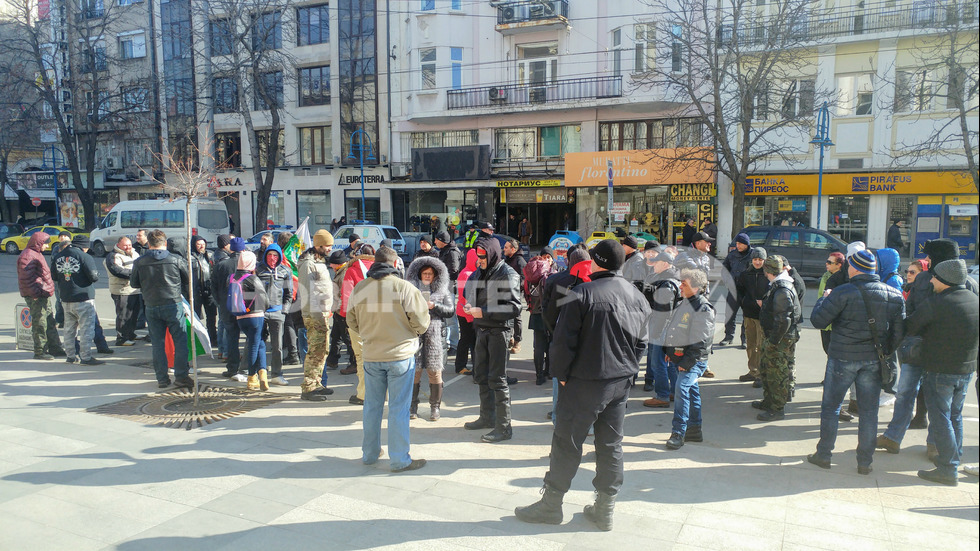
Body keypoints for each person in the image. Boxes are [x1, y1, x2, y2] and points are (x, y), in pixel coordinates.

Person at [515, 239, 650, 530]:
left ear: (596, 262)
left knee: (567, 442)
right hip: (619, 381)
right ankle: (605, 508)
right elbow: (641, 344)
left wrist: (561, 374)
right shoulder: (637, 297)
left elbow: (563, 342)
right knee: (611, 444)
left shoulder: (582, 293)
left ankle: (552, 505)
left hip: (585, 381)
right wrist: (629, 372)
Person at [877, 239, 977, 457]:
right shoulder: (923, 279)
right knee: (907, 394)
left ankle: (935, 445)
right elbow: (909, 308)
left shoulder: (967, 284)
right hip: (919, 350)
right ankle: (893, 437)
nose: (927, 261)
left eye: (930, 257)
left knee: (940, 405)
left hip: (942, 355)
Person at [808, 250, 904, 475]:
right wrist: (884, 352)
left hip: (842, 357)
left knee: (831, 407)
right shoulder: (893, 294)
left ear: (855, 268)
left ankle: (823, 454)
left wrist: (824, 298)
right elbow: (899, 334)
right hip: (873, 360)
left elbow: (818, 321)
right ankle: (864, 461)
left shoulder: (843, 292)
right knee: (869, 412)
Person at [348, 246, 430, 473]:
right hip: (400, 356)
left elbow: (351, 321)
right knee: (398, 409)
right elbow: (422, 323)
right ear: (395, 264)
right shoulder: (404, 288)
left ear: (375, 263)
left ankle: (370, 454)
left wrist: (368, 332)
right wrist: (409, 331)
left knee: (371, 407)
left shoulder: (360, 288)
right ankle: (399, 459)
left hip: (372, 354)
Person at [905, 259, 978, 486]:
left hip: (940, 370)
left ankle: (948, 468)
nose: (932, 280)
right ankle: (953, 459)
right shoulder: (974, 300)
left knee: (940, 418)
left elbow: (911, 326)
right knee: (955, 415)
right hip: (965, 370)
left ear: (945, 280)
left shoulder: (937, 302)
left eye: (935, 277)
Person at [462, 237, 521, 443]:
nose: (479, 259)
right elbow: (467, 289)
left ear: (492, 254)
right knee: (482, 376)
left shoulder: (508, 274)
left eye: (482, 256)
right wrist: (470, 303)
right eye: (477, 256)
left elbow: (514, 307)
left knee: (497, 379)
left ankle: (504, 427)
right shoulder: (480, 271)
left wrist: (483, 311)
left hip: (499, 332)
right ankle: (487, 417)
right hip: (482, 330)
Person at [130, 230, 192, 387]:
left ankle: (162, 379)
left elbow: (134, 284)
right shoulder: (175, 259)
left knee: (158, 344)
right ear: (165, 243)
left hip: (151, 304)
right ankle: (181, 376)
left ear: (149, 243)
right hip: (173, 303)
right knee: (180, 341)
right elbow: (187, 280)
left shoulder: (140, 261)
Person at [663, 269, 715, 450]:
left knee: (682, 389)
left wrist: (685, 364)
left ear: (696, 287)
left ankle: (678, 432)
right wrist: (670, 351)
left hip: (693, 361)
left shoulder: (703, 308)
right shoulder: (685, 303)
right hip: (682, 358)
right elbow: (676, 330)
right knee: (691, 390)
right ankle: (694, 429)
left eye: (684, 284)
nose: (680, 286)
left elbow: (701, 342)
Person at [753, 256, 802, 422]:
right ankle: (769, 401)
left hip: (780, 339)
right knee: (767, 369)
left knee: (777, 373)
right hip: (776, 337)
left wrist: (773, 340)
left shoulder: (782, 289)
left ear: (767, 271)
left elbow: (784, 319)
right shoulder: (778, 286)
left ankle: (777, 408)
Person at [406, 256, 454, 421]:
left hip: (435, 337)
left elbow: (450, 311)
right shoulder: (410, 291)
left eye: (430, 274)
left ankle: (435, 408)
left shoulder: (443, 291)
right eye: (424, 273)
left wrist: (435, 306)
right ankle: (412, 407)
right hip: (415, 335)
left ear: (435, 276)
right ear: (419, 274)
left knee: (435, 373)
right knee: (415, 373)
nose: (427, 276)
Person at [52, 235, 104, 366]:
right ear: (84, 246)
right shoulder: (84, 256)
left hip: (66, 298)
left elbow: (54, 276)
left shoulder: (59, 255)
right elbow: (93, 276)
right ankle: (86, 357)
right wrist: (97, 274)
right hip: (83, 298)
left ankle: (70, 356)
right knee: (86, 329)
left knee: (69, 329)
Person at [297, 229, 336, 401]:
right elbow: (307, 292)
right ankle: (309, 388)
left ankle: (317, 382)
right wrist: (318, 314)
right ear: (318, 245)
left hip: (323, 313)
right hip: (315, 314)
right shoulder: (308, 264)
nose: (329, 249)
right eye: (327, 245)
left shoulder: (319, 262)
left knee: (322, 351)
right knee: (315, 351)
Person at [640, 251, 681, 407]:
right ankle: (673, 392)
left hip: (662, 328)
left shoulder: (667, 283)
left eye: (656, 262)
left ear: (665, 264)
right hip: (669, 328)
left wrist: (656, 332)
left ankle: (662, 396)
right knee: (669, 362)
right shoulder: (668, 280)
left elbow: (664, 312)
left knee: (658, 363)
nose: (653, 264)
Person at [18, 232, 65, 359]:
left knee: (49, 321)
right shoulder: (28, 256)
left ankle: (55, 348)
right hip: (36, 295)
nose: (47, 247)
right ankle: (40, 351)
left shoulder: (36, 254)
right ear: (39, 243)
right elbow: (26, 278)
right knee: (40, 323)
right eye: (45, 244)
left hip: (42, 294)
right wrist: (35, 293)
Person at [339, 244, 375, 405]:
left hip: (359, 320)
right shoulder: (383, 268)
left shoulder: (352, 270)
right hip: (381, 320)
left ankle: (363, 394)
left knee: (362, 358)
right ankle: (384, 392)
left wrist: (346, 319)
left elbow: (347, 298)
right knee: (379, 358)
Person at [231, 251, 269, 390]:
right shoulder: (252, 278)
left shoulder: (233, 278)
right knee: (254, 345)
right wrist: (266, 308)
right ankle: (253, 377)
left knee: (259, 343)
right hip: (255, 315)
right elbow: (264, 298)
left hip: (240, 316)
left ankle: (263, 373)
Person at [256, 243, 293, 386]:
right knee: (257, 343)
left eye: (275, 255)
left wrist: (284, 311)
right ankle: (257, 372)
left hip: (277, 313)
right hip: (260, 312)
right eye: (270, 255)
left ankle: (277, 374)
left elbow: (289, 294)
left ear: (279, 257)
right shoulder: (258, 270)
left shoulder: (285, 271)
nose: (272, 258)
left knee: (277, 346)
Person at [213, 237, 246, 380]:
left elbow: (213, 286)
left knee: (232, 337)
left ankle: (232, 368)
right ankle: (251, 367)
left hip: (227, 306)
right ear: (243, 249)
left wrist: (220, 302)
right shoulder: (249, 264)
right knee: (251, 338)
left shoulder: (221, 265)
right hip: (246, 306)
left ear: (230, 249)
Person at [736, 248, 770, 385]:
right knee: (750, 345)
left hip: (762, 316)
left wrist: (765, 303)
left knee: (761, 345)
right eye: (755, 259)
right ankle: (753, 370)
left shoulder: (768, 274)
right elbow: (739, 291)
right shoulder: (746, 274)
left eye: (760, 260)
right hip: (748, 314)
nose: (757, 262)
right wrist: (744, 302)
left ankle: (761, 374)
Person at [524, 248, 557, 385]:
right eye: (545, 256)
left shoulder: (530, 275)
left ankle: (539, 376)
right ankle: (548, 371)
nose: (546, 259)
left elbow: (525, 293)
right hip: (549, 314)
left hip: (535, 314)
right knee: (551, 343)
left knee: (538, 346)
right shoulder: (551, 275)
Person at [105, 237, 142, 346]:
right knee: (123, 315)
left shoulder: (135, 253)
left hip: (135, 290)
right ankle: (121, 338)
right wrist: (135, 274)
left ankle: (131, 334)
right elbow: (118, 271)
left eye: (129, 245)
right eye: (125, 245)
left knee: (134, 314)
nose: (128, 247)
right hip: (121, 290)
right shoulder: (113, 256)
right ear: (118, 245)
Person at [720, 233, 753, 347]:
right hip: (734, 289)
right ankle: (728, 336)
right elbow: (724, 269)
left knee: (747, 316)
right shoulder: (732, 255)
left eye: (740, 243)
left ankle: (745, 339)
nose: (738, 246)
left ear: (746, 244)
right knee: (729, 314)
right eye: (737, 243)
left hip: (748, 291)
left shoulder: (753, 255)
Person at [326, 250, 355, 375]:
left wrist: (340, 309)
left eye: (332, 264)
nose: (330, 266)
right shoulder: (341, 271)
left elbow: (344, 294)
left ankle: (354, 363)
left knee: (347, 338)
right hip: (339, 310)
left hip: (343, 311)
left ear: (338, 264)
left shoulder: (343, 274)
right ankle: (332, 360)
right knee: (336, 336)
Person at [816, 252, 847, 355]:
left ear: (839, 265)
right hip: (825, 321)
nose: (826, 264)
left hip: (835, 323)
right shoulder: (825, 276)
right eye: (827, 261)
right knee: (827, 350)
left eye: (830, 262)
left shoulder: (843, 280)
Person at [454, 249, 479, 374]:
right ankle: (462, 366)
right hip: (466, 313)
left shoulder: (470, 272)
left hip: (465, 312)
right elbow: (466, 297)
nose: (479, 261)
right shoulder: (467, 274)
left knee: (467, 340)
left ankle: (462, 366)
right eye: (477, 259)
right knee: (469, 341)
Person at [189, 235, 217, 347]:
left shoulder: (209, 255)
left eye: (203, 244)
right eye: (198, 244)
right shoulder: (190, 256)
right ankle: (196, 339)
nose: (201, 246)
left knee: (212, 316)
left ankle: (213, 338)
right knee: (195, 316)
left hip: (209, 289)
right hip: (196, 290)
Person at [503, 238, 526, 356]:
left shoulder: (520, 261)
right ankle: (510, 338)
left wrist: (514, 288)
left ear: (513, 249)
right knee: (507, 316)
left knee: (516, 318)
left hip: (515, 294)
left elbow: (524, 279)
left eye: (506, 247)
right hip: (506, 293)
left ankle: (517, 341)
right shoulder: (507, 260)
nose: (504, 249)